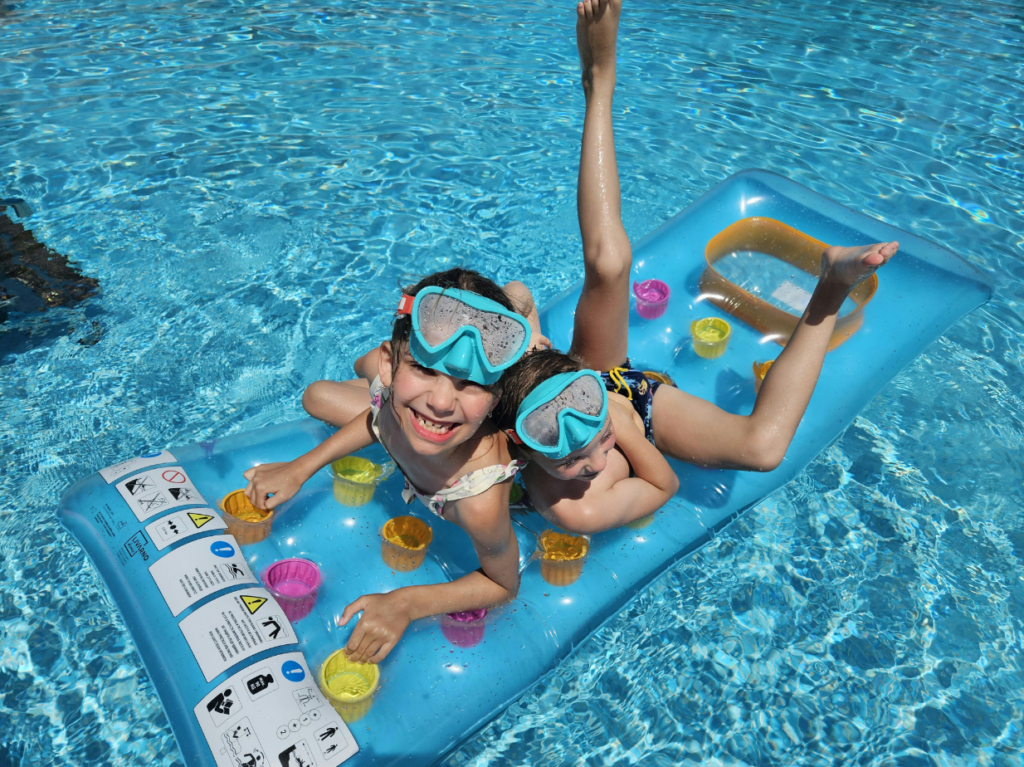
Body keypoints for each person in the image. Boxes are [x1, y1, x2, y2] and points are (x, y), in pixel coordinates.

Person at [491, 0, 898, 533]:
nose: (591, 463)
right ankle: (830, 284)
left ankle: (599, 84)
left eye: (590, 447)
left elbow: (519, 297)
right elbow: (663, 486)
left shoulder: (569, 398)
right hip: (629, 414)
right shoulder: (574, 507)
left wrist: (534, 332)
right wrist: (626, 433)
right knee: (763, 449)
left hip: (589, 384)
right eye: (570, 460)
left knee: (610, 262)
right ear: (522, 451)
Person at [243, 269, 535, 664]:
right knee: (317, 396)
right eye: (426, 369)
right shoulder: (396, 404)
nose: (443, 403)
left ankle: (524, 316)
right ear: (391, 362)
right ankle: (386, 365)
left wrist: (408, 602)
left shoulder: (478, 503)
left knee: (519, 360)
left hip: (454, 422)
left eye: (469, 384)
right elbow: (379, 421)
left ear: (494, 397)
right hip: (389, 391)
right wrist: (300, 467)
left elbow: (504, 585)